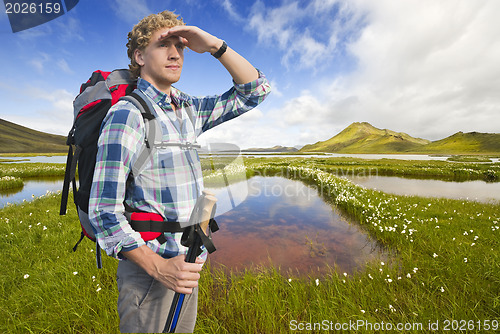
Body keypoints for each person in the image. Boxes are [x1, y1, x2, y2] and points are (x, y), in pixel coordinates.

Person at [88, 10, 271, 333]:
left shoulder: (187, 109)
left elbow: (254, 91)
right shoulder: (127, 114)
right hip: (150, 272)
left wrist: (215, 46)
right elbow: (103, 212)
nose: (175, 54)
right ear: (139, 56)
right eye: (163, 45)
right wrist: (159, 267)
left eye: (180, 46)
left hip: (188, 263)